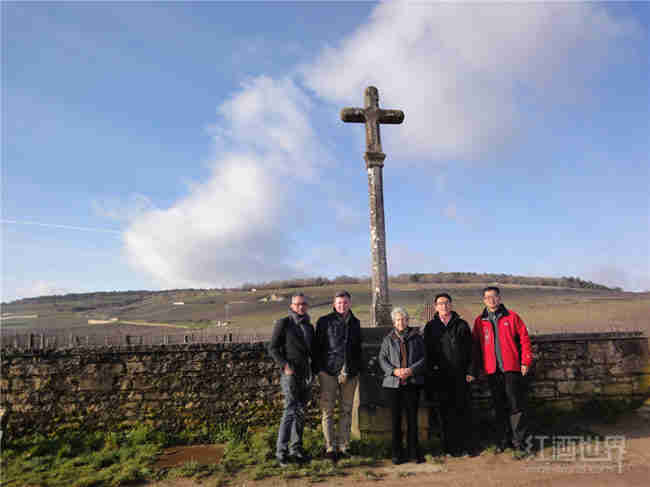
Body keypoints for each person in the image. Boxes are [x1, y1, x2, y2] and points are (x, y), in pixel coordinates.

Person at [472, 286, 532, 454]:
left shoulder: (512, 317)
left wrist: (525, 361)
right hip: (491, 371)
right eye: (487, 297)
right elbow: (475, 347)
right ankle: (502, 441)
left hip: (510, 368)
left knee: (515, 406)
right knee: (498, 407)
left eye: (494, 296)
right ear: (484, 300)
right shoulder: (479, 321)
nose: (491, 300)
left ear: (499, 298)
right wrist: (477, 369)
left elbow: (524, 339)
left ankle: (520, 443)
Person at [313, 290, 363, 462]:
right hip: (328, 372)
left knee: (346, 411)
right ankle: (329, 448)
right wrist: (320, 369)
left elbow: (357, 348)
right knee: (327, 411)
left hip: (350, 373)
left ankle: (344, 446)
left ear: (350, 303)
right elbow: (317, 348)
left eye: (345, 302)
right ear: (334, 304)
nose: (342, 305)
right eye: (339, 302)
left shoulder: (355, 322)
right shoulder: (324, 322)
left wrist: (355, 369)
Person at [423, 293, 474, 456]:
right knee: (444, 412)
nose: (443, 306)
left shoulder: (462, 325)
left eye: (446, 303)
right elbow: (427, 353)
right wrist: (431, 373)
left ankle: (465, 447)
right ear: (435, 307)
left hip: (460, 375)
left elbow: (471, 350)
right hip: (440, 376)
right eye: (440, 303)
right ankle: (448, 448)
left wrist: (471, 371)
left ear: (451, 305)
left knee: (462, 410)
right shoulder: (431, 327)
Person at [268, 292, 315, 467]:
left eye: (303, 304)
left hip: (306, 374)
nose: (300, 307)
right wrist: (285, 366)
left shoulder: (309, 326)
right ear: (291, 306)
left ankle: (296, 450)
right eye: (297, 304)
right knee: (289, 411)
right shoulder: (284, 323)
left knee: (301, 413)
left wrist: (313, 370)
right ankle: (281, 452)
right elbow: (272, 348)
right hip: (290, 374)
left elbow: (311, 351)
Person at [379, 307, 426, 464]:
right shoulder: (388, 339)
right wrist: (394, 371)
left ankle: (414, 452)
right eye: (398, 320)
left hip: (412, 383)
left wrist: (411, 370)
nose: (401, 322)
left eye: (403, 319)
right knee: (395, 420)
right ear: (394, 322)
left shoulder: (417, 337)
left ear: (408, 321)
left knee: (412, 419)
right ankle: (397, 453)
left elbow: (424, 358)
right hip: (393, 385)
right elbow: (382, 359)